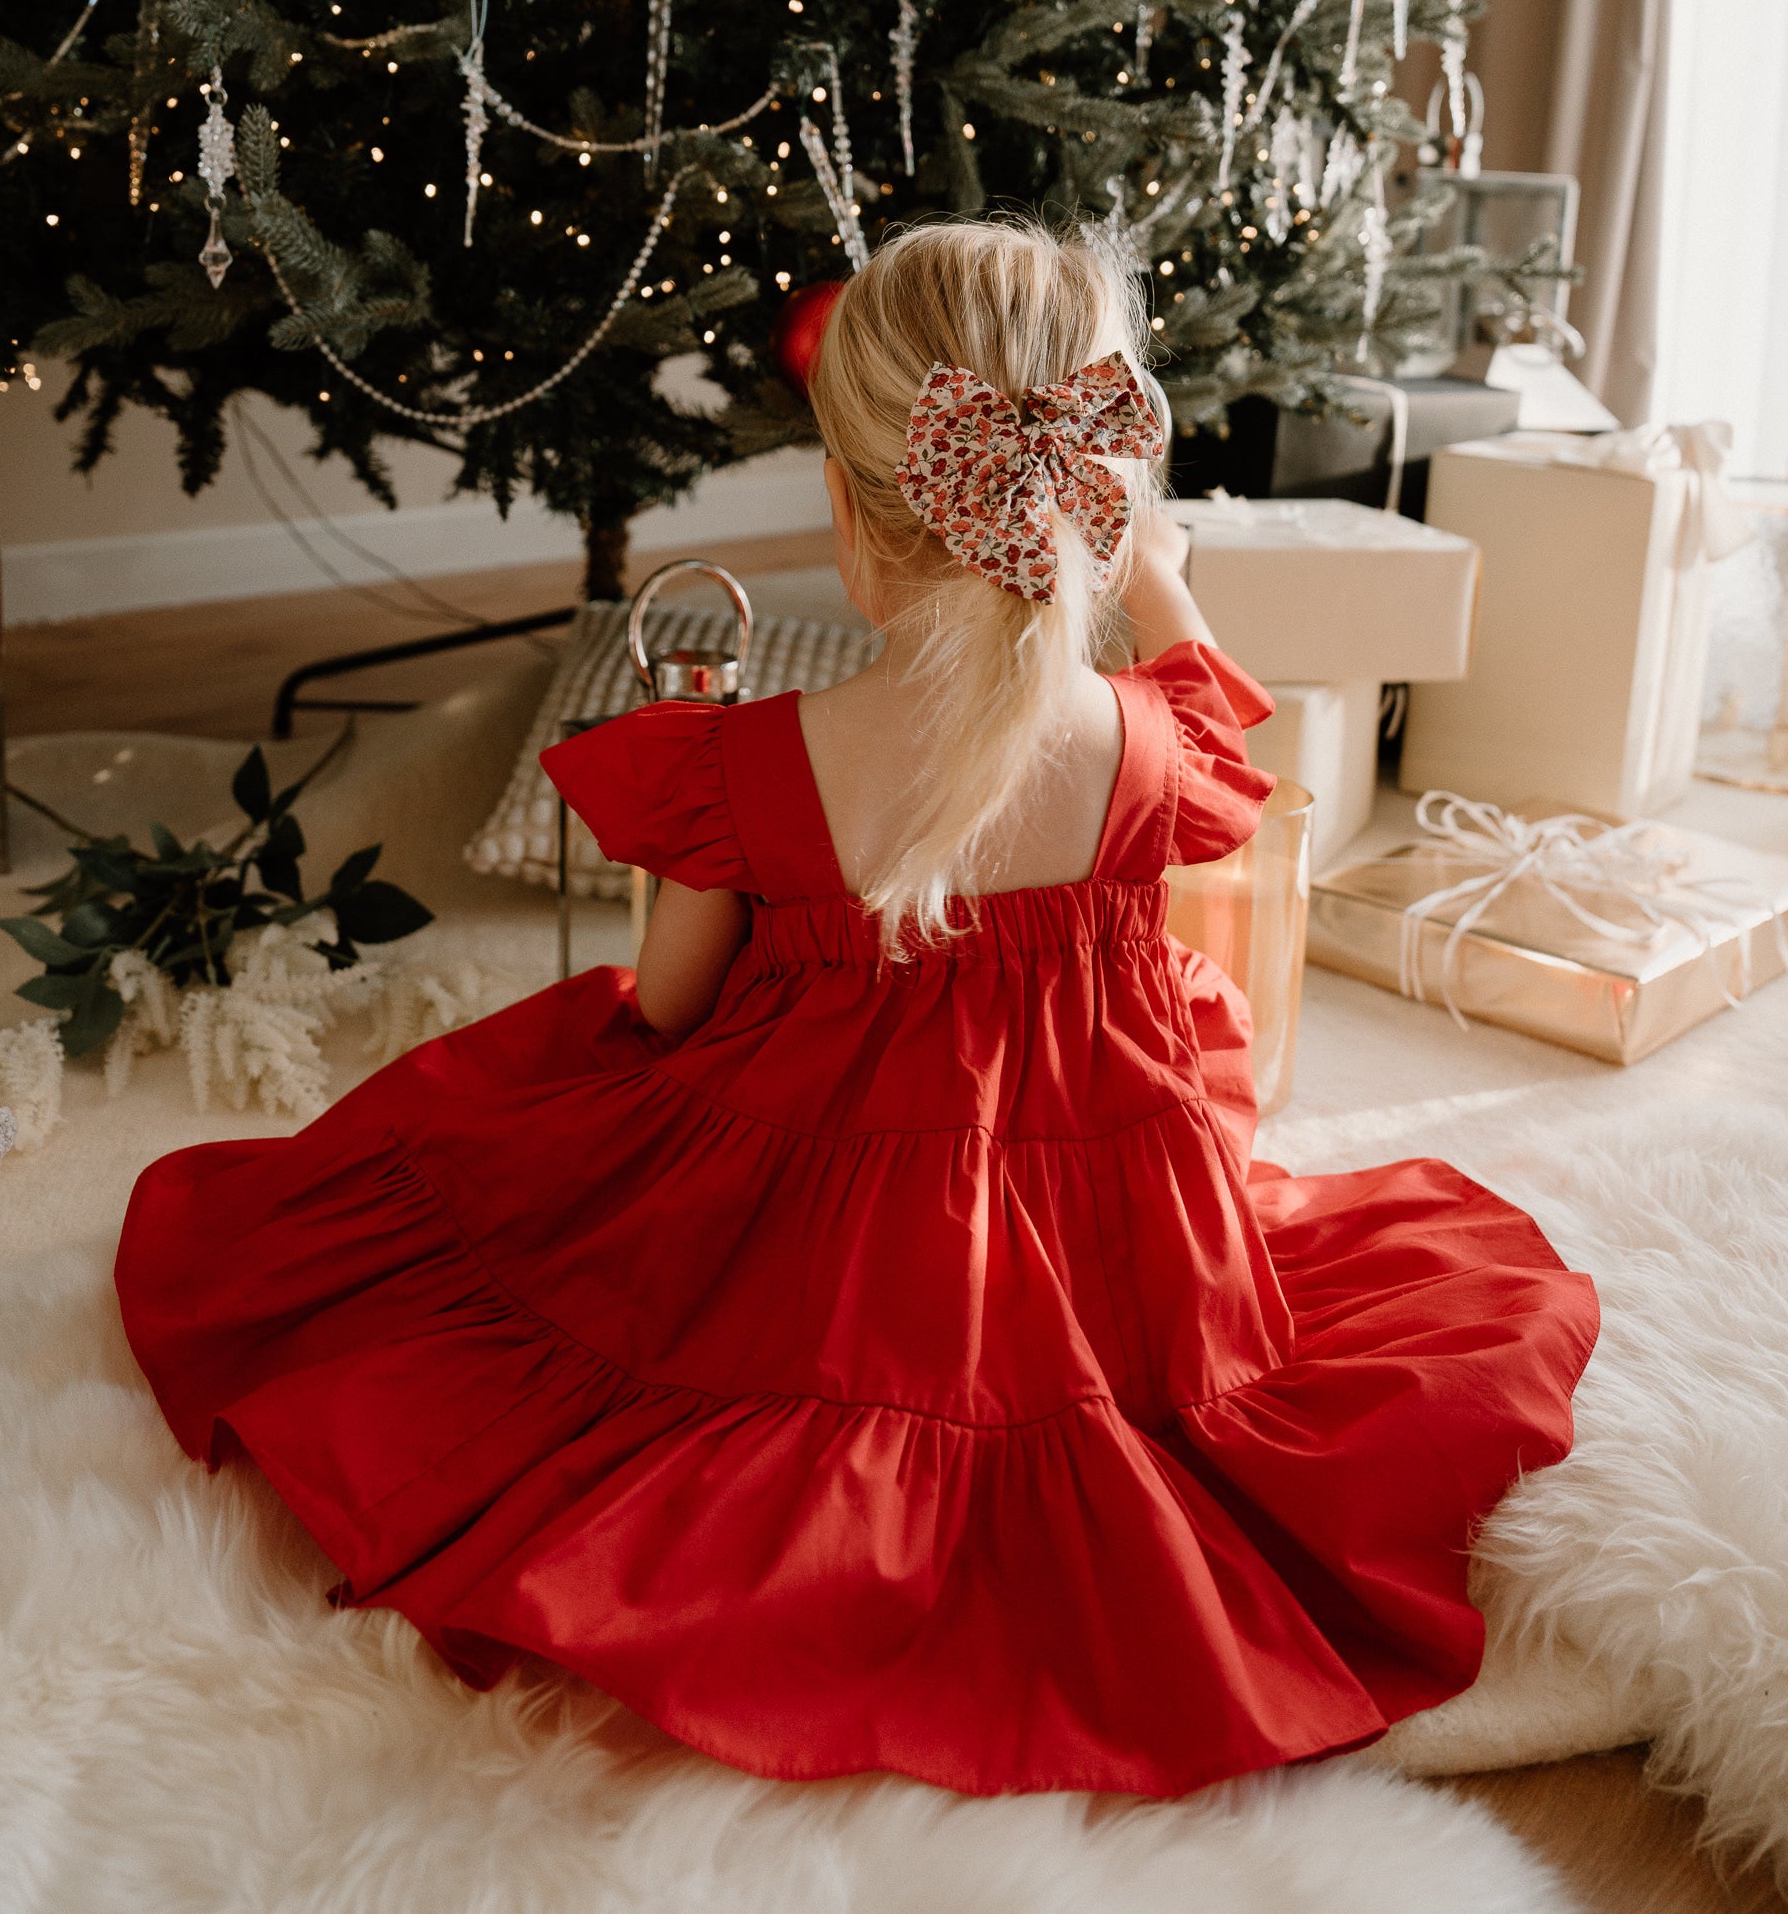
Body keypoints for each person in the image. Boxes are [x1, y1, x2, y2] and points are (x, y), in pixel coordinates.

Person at [115, 219, 1597, 1800]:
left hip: (827, 1271)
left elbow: (676, 1013)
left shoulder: (754, 762)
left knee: (527, 1132)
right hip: (1115, 1260)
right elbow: (1219, 720)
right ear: (1090, 499)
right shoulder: (1149, 750)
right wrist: (1160, 589)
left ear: (852, 505)